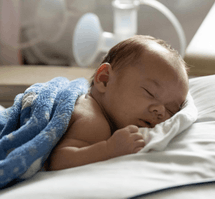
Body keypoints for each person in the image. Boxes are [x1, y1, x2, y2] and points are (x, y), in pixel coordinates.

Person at [46, 35, 189, 171]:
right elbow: (59, 161)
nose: (160, 110)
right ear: (104, 79)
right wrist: (109, 149)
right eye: (150, 92)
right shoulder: (93, 121)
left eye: (171, 109)